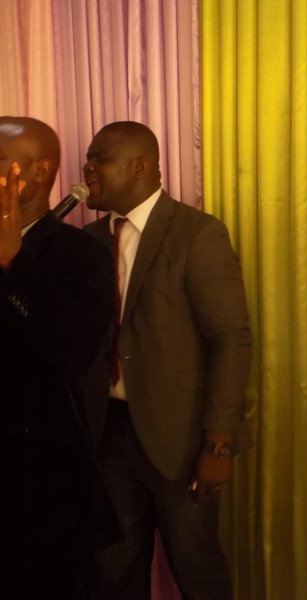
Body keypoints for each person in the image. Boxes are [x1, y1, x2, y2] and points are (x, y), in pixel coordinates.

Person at [83, 121, 252, 599]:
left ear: (140, 166)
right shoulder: (89, 241)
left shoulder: (197, 233)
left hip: (181, 439)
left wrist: (217, 444)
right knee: (115, 572)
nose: (87, 169)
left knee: (197, 571)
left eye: (100, 159)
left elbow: (231, 340)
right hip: (109, 434)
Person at [0, 116, 118, 597]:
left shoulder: (81, 253)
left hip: (43, 500)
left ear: (40, 171)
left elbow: (75, 348)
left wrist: (14, 263)